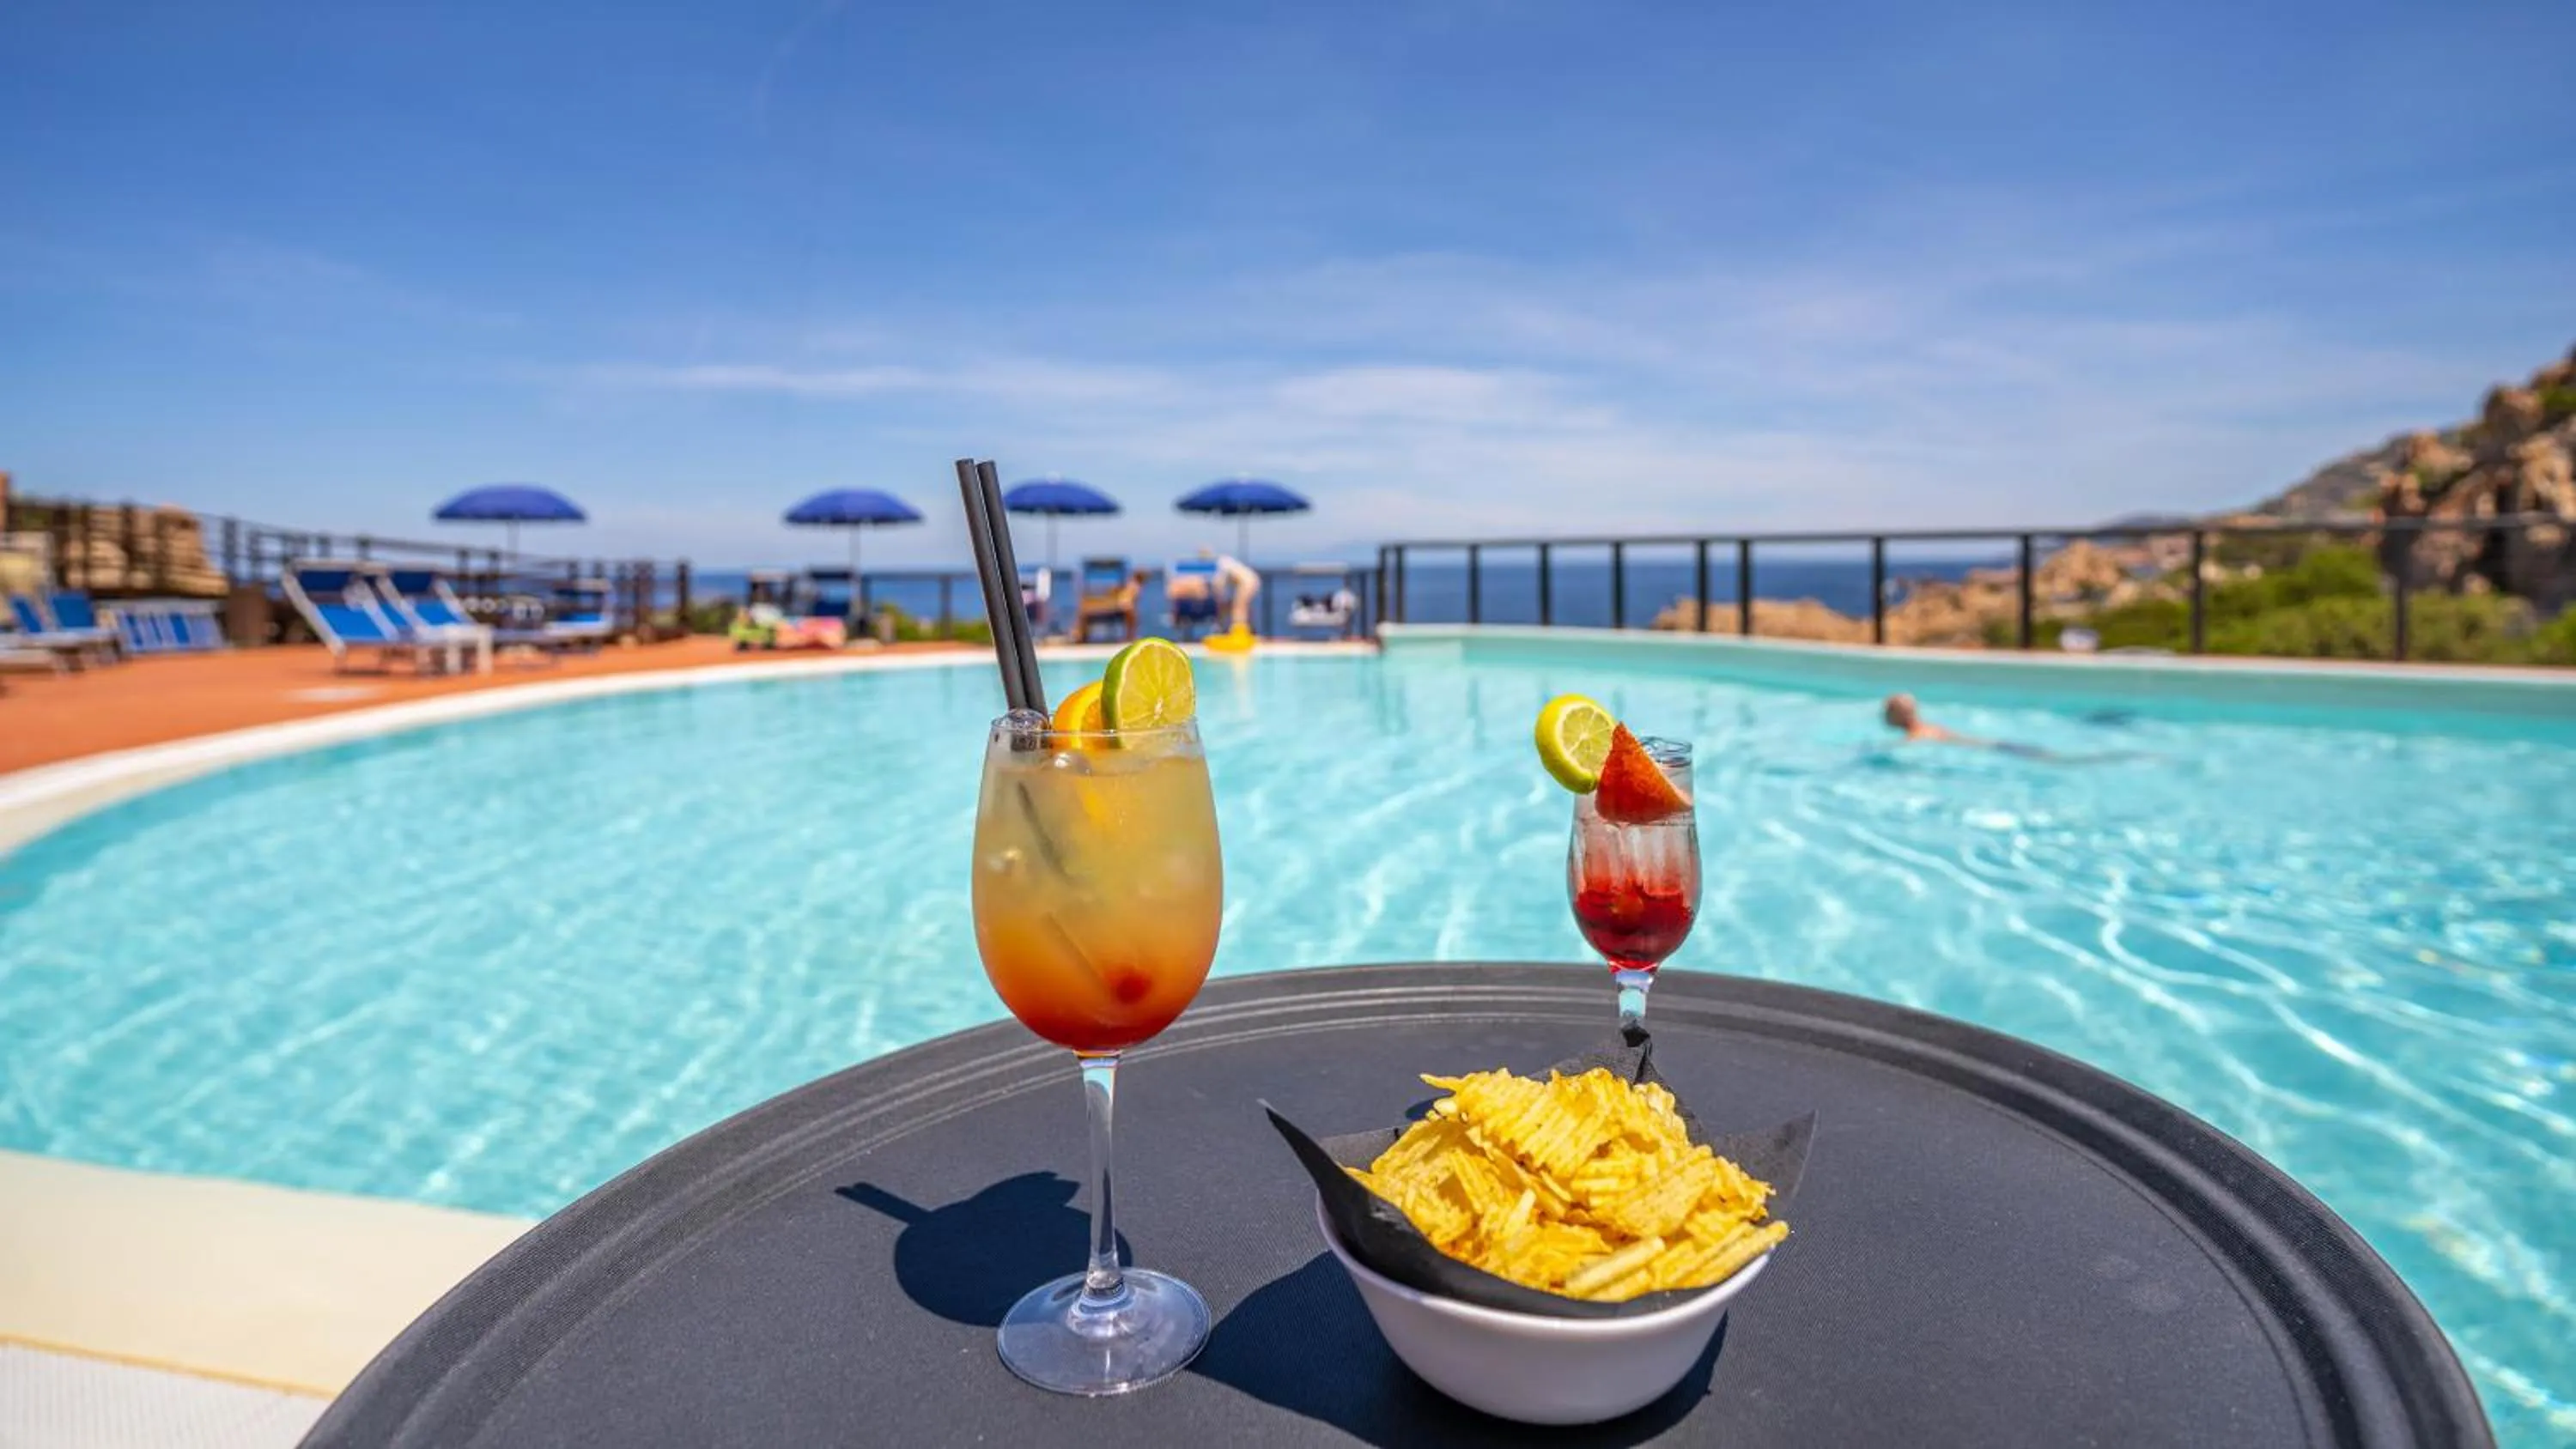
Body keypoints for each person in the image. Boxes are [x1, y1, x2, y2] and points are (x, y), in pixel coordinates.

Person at [1212, 550, 1261, 634]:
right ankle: (1246, 629)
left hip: (1247, 583)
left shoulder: (1221, 567)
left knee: (1238, 607)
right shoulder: (1228, 564)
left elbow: (1219, 587)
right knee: (1241, 607)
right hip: (1251, 581)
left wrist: (1219, 598)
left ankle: (1239, 632)